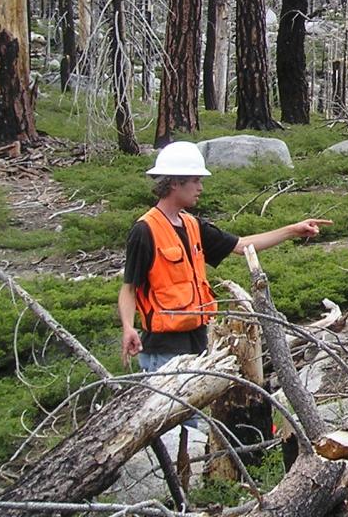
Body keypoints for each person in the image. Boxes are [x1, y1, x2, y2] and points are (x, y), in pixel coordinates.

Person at [119, 141, 332, 370]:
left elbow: (241, 246)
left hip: (199, 342)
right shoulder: (144, 230)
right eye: (195, 180)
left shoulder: (193, 225)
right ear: (174, 182)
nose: (200, 187)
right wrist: (129, 328)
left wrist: (292, 230)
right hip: (163, 351)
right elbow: (129, 288)